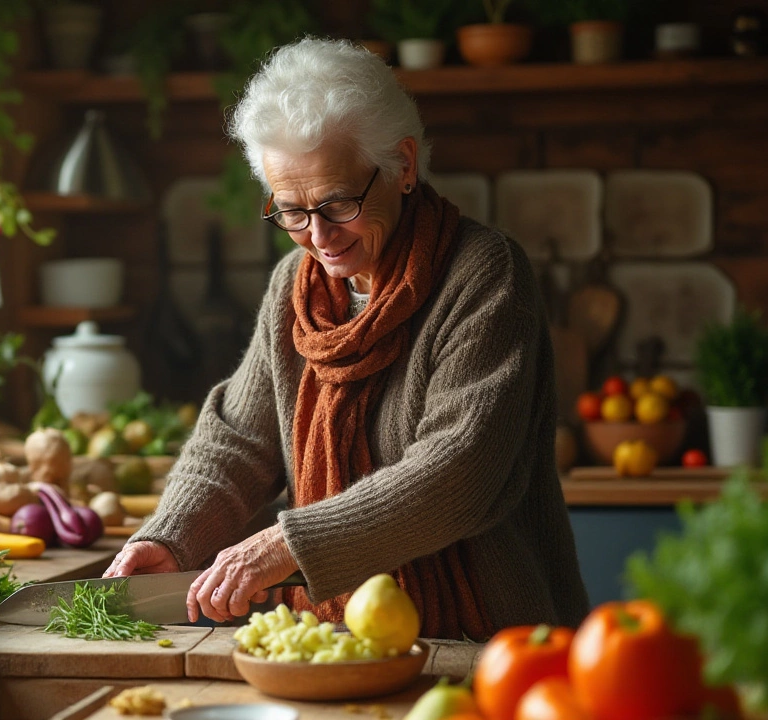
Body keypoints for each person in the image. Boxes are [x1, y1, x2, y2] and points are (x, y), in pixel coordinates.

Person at [104, 37, 588, 640]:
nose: (319, 236)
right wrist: (172, 538)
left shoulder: (486, 274)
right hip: (345, 638)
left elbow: (459, 470)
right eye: (291, 211)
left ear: (402, 166)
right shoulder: (295, 289)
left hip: (492, 638)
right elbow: (239, 440)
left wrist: (290, 541)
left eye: (337, 202)